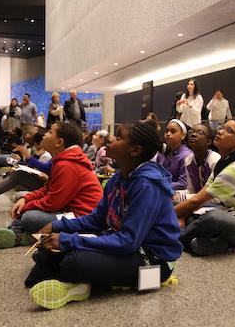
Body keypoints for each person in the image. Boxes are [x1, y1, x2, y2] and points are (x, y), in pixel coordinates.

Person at [25, 122, 182, 310]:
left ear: (135, 150)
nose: (110, 140)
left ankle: (81, 285)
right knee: (46, 251)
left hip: (154, 260)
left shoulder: (146, 185)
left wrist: (69, 241)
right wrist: (58, 226)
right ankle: (79, 281)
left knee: (73, 262)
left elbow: (128, 241)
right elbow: (96, 219)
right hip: (127, 247)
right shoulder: (118, 178)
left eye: (118, 137)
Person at [0, 122, 103, 249]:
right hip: (68, 208)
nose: (44, 135)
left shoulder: (67, 165)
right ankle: (24, 233)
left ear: (59, 142)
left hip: (80, 216)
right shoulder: (62, 160)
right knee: (21, 197)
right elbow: (47, 189)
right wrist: (25, 200)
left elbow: (52, 203)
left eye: (50, 132)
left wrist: (26, 207)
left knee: (29, 217)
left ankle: (18, 232)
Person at [176, 118, 235, 256]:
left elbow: (196, 201)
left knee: (213, 218)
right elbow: (198, 197)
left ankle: (176, 240)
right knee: (190, 210)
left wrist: (164, 216)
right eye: (221, 128)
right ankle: (216, 243)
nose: (220, 132)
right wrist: (183, 213)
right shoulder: (223, 163)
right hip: (232, 214)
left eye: (229, 131)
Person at [174, 123, 220, 203]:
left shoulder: (215, 160)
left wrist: (183, 197)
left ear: (209, 141)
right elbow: (191, 190)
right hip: (198, 201)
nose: (193, 135)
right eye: (191, 132)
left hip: (215, 203)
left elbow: (216, 196)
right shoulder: (188, 160)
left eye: (200, 133)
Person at [157, 119, 192, 191]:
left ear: (183, 135)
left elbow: (183, 184)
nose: (168, 134)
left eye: (173, 131)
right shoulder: (164, 154)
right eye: (166, 131)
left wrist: (158, 185)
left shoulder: (186, 155)